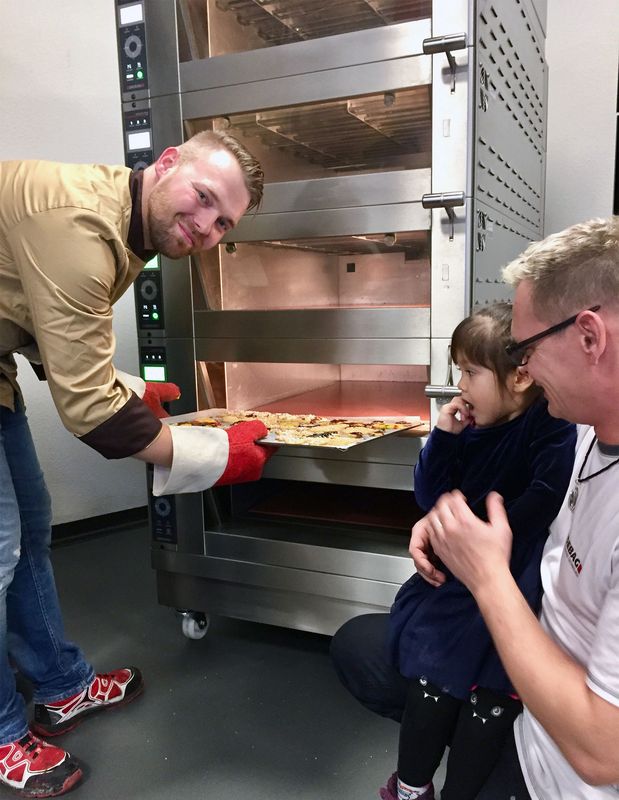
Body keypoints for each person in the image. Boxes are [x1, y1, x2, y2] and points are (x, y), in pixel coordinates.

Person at [0, 130, 271, 797]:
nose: (205, 226)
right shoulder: (82, 228)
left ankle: (62, 686)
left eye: (223, 224)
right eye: (203, 197)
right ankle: (4, 733)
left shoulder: (127, 226)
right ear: (167, 162)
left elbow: (40, 318)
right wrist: (215, 456)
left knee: (30, 527)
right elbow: (91, 413)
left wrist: (127, 390)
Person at [331, 217, 619, 799]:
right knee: (360, 647)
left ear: (589, 337)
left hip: (556, 769)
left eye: (526, 350)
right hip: (527, 650)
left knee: (457, 690)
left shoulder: (556, 431)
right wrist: (438, 522)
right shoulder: (586, 429)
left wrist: (486, 572)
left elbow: (601, 753)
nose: (525, 371)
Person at [381, 304, 576, 800]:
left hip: (513, 577)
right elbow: (428, 493)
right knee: (433, 680)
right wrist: (443, 438)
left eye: (470, 372)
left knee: (491, 701)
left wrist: (486, 537)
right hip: (458, 580)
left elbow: (546, 494)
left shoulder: (549, 424)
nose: (459, 385)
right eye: (458, 371)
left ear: (519, 379)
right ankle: (410, 788)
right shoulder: (466, 427)